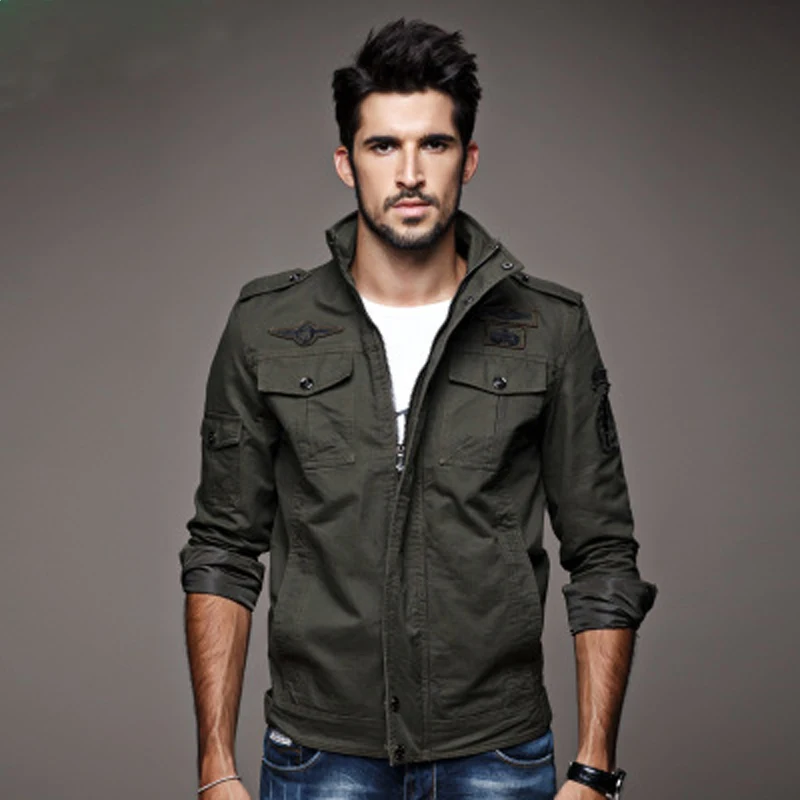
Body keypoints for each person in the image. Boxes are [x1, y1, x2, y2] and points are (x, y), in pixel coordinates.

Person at [180, 18, 657, 800]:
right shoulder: (266, 327)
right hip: (317, 755)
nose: (409, 173)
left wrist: (595, 770)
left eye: (434, 144)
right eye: (382, 146)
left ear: (468, 159)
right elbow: (223, 549)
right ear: (346, 162)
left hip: (497, 756)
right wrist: (214, 767)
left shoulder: (551, 329)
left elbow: (602, 551)